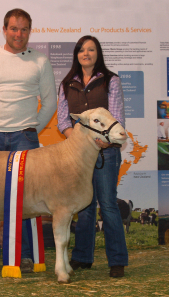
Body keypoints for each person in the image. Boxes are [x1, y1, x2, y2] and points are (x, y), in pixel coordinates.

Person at [0, 8, 57, 273]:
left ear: (29, 31)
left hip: (24, 138)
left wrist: (31, 129)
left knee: (27, 198)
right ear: (4, 29)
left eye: (24, 29)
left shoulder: (40, 61)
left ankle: (26, 255)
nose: (18, 34)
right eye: (13, 28)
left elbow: (50, 102)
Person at [57, 35, 128, 277]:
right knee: (84, 207)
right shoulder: (67, 83)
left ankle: (117, 261)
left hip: (107, 154)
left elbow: (117, 118)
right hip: (80, 158)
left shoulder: (111, 81)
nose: (86, 54)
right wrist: (77, 142)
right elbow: (63, 120)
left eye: (91, 50)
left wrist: (104, 142)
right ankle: (82, 257)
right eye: (81, 50)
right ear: (76, 54)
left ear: (98, 54)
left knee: (108, 205)